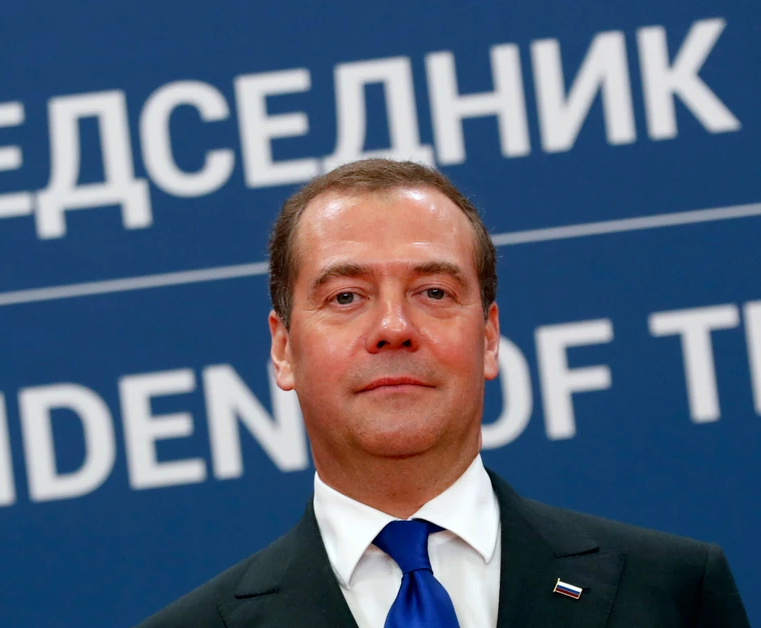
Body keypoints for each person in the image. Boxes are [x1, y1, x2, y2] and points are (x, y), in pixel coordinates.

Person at [137, 159, 749, 627]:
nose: (393, 328)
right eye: (345, 297)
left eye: (433, 292)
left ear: (488, 337)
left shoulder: (674, 592)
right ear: (283, 349)